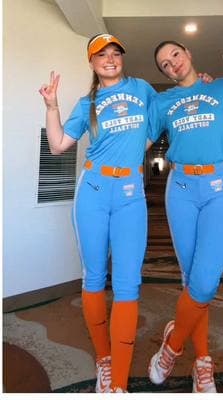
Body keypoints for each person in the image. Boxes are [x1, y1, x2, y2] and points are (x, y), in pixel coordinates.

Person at [147, 41, 223, 393]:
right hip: (180, 187)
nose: (171, 63)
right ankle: (203, 364)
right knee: (191, 279)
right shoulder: (163, 102)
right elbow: (140, 142)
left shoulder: (220, 87)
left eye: (174, 55)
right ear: (164, 74)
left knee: (205, 281)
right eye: (163, 64)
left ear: (187, 53)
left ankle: (172, 346)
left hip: (219, 186)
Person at [39, 33, 157, 393]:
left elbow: (156, 125)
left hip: (130, 194)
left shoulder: (142, 89)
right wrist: (51, 106)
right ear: (91, 63)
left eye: (115, 53)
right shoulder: (87, 101)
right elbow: (58, 146)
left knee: (127, 283)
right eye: (101, 55)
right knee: (94, 277)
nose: (109, 59)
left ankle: (118, 383)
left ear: (122, 58)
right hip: (92, 191)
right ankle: (104, 359)